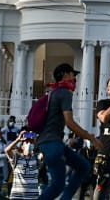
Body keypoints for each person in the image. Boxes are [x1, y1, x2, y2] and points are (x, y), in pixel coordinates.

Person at [37, 63, 95, 200]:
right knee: (58, 185)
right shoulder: (64, 93)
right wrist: (90, 137)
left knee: (83, 167)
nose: (74, 78)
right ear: (64, 74)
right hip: (52, 144)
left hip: (50, 143)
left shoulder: (54, 92)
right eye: (72, 74)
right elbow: (69, 122)